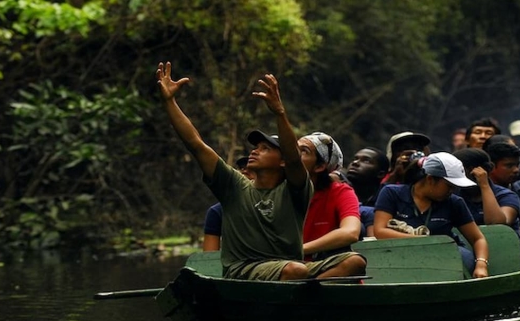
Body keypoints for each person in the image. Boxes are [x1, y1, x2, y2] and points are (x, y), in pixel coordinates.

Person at [156, 61, 364, 281]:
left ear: (282, 161)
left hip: (289, 269)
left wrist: (279, 113)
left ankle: (303, 294)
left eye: (265, 149)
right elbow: (196, 145)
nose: (255, 152)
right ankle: (306, 293)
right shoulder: (234, 186)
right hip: (244, 271)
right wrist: (170, 101)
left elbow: (294, 160)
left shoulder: (296, 190)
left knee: (355, 261)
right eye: (256, 147)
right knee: (296, 271)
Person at [373, 152, 489, 278]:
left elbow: (478, 239)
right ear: (430, 179)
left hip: (447, 258)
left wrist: (481, 265)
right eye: (449, 186)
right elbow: (380, 231)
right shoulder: (392, 194)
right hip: (401, 255)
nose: (452, 191)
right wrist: (429, 243)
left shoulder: (454, 202)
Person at [453, 148, 520, 268]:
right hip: (469, 249)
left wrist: (484, 186)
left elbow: (496, 223)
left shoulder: (506, 195)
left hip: (507, 250)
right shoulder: (454, 197)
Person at [299, 132, 365, 264]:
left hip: (319, 264)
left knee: (354, 262)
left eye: (303, 151)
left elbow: (350, 232)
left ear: (319, 167)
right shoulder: (277, 187)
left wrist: (300, 250)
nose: (293, 154)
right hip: (280, 264)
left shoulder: (339, 192)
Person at [202, 155, 252, 251]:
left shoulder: (273, 204)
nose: (245, 171)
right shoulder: (217, 212)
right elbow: (209, 256)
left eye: (251, 169)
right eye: (242, 168)